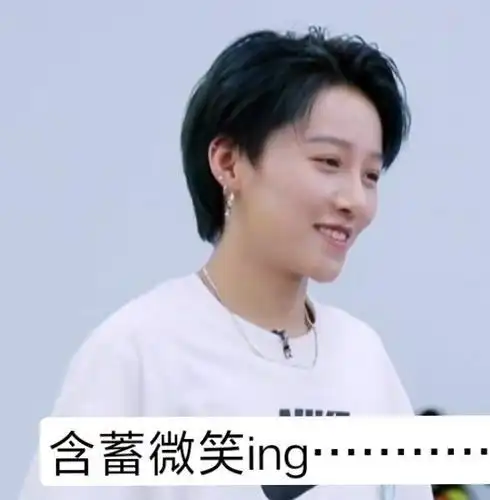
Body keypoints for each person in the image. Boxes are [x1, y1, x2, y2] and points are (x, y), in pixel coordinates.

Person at [19, 27, 432, 500]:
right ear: (229, 162)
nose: (355, 200)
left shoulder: (362, 357)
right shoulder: (138, 351)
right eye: (328, 161)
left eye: (371, 175)